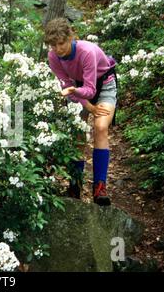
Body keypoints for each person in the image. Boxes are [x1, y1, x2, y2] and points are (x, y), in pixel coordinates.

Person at [44, 17, 118, 206]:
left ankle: (99, 187)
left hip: (103, 84)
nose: (58, 49)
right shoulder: (53, 57)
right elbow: (66, 84)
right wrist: (87, 105)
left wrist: (88, 104)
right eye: (53, 45)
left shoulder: (86, 52)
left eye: (61, 43)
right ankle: (75, 184)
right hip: (77, 89)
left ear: (71, 38)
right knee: (78, 132)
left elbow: (91, 90)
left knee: (100, 127)